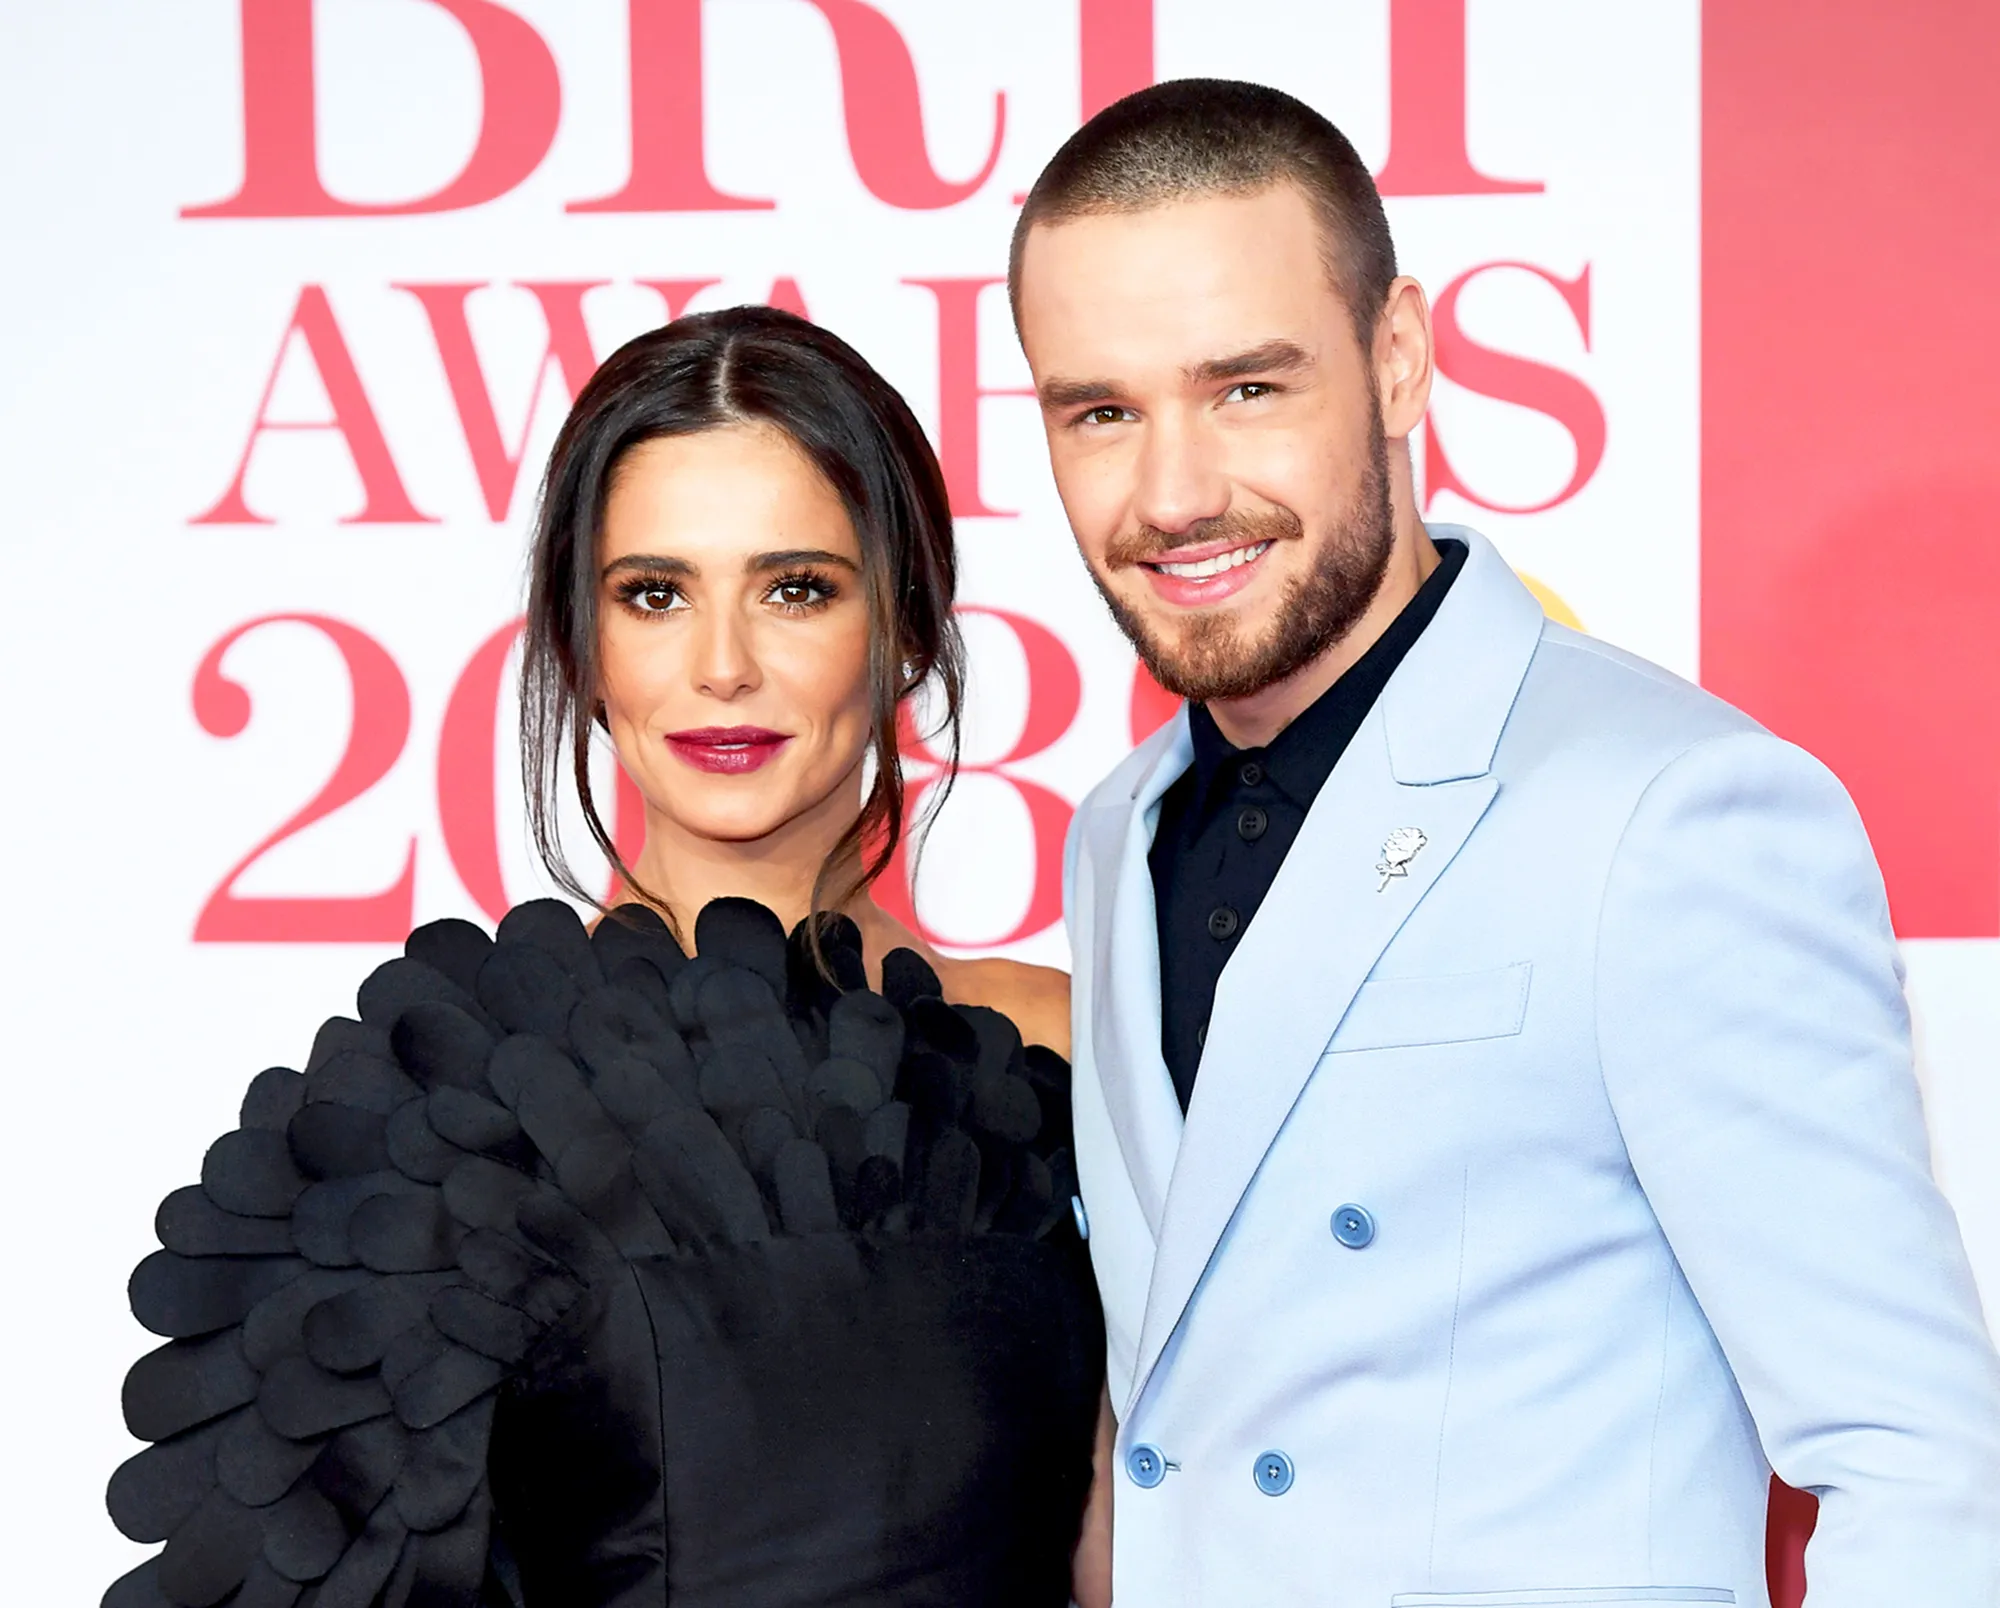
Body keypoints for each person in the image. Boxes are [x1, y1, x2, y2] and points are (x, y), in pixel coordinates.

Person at [1014, 78, 2000, 1604]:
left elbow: (1920, 1466)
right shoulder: (1113, 831)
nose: (1175, 493)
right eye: (1102, 412)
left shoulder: (1672, 812)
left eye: (1248, 389)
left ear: (1398, 359)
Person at [105, 306, 1112, 1608]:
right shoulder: (446, 1116)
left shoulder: (1078, 1054)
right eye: (655, 594)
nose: (723, 667)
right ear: (581, 646)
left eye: (796, 588)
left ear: (907, 627)